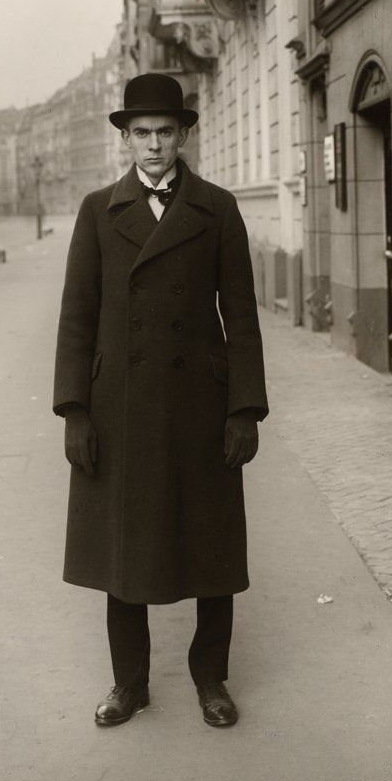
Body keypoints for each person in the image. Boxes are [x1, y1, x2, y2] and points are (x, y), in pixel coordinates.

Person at [53, 73, 268, 728]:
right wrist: (74, 411)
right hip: (119, 406)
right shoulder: (97, 210)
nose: (153, 145)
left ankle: (211, 679)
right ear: (125, 138)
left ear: (182, 136)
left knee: (212, 550)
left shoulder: (217, 208)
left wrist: (243, 409)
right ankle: (131, 683)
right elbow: (76, 316)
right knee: (124, 549)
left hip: (197, 406)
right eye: (141, 133)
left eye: (165, 132)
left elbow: (242, 315)